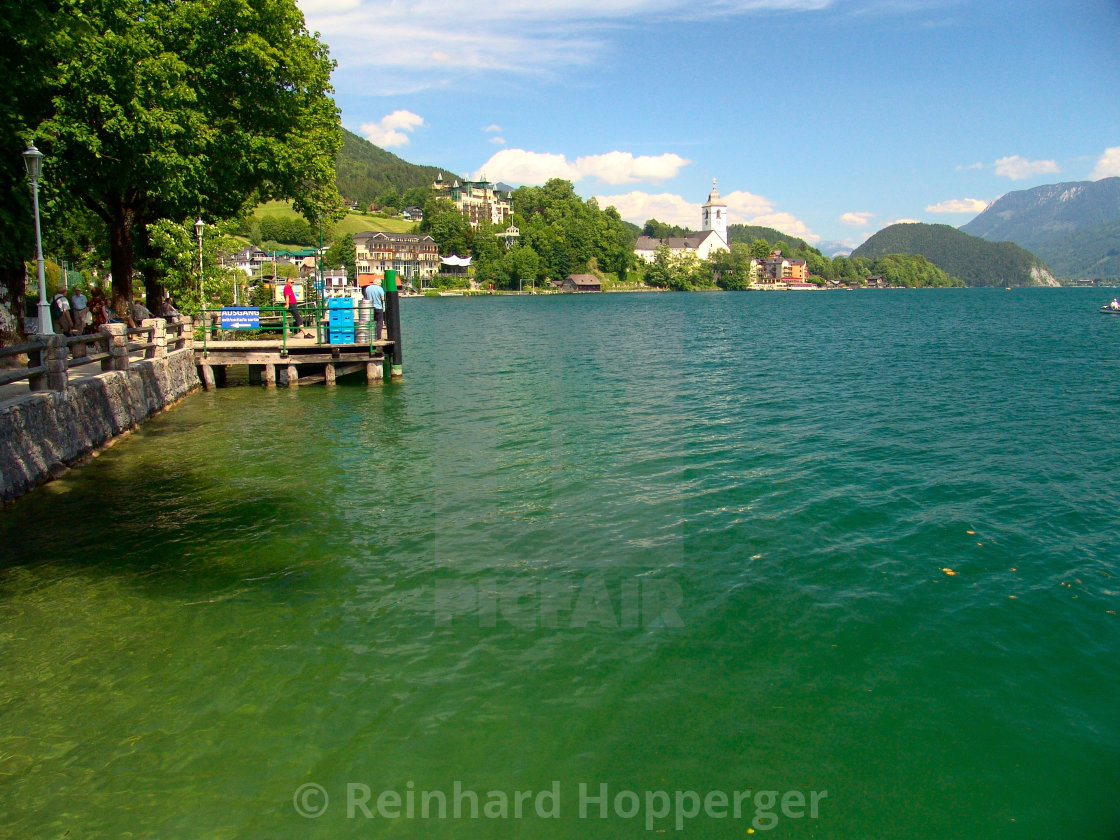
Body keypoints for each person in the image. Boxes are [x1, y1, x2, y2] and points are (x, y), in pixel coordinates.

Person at [364, 276, 385, 341]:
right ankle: (378, 336)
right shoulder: (380, 288)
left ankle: (371, 335)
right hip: (378, 307)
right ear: (379, 283)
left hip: (370, 307)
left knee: (371, 322)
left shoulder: (367, 288)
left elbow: (366, 297)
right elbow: (383, 298)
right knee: (379, 322)